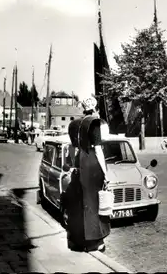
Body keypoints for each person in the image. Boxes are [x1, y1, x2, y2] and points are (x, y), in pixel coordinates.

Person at [62, 97, 111, 252]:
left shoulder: (74, 124)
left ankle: (79, 239)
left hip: (80, 163)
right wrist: (105, 173)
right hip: (92, 165)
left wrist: (73, 164)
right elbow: (98, 150)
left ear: (83, 108)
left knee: (81, 204)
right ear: (95, 109)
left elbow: (72, 147)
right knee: (94, 203)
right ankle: (96, 242)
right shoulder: (95, 123)